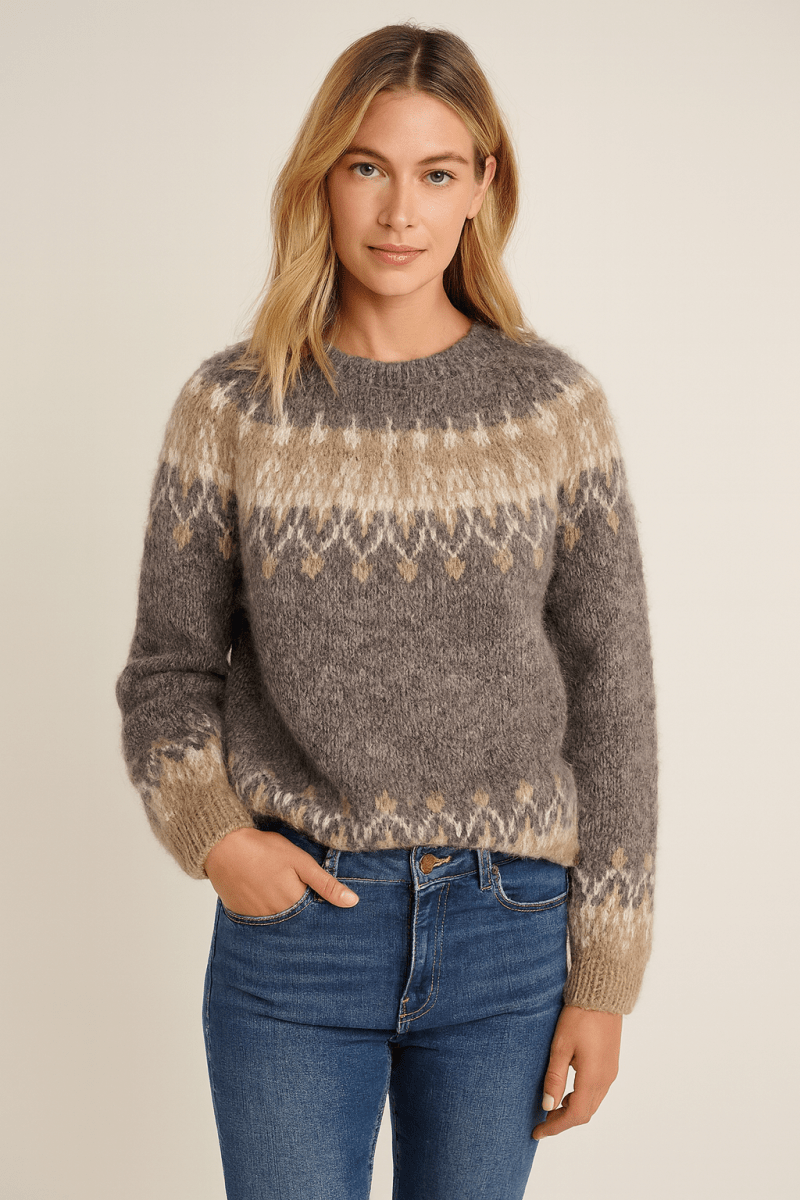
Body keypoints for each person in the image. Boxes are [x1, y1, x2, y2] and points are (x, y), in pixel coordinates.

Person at [115, 21, 658, 1200]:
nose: (399, 212)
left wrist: (604, 978)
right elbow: (166, 669)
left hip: (509, 933)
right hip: (298, 936)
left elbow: (611, 696)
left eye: (435, 172)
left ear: (482, 185)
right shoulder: (234, 406)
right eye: (366, 167)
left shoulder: (549, 407)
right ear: (321, 176)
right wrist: (215, 838)